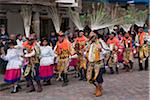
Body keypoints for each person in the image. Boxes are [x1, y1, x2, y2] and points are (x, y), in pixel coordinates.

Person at [86, 32, 105, 97]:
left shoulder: (100, 42)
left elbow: (107, 50)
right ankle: (98, 87)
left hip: (98, 63)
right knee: (90, 78)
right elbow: (86, 51)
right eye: (90, 37)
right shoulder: (89, 44)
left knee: (98, 77)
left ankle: (98, 89)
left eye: (92, 37)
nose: (91, 38)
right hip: (91, 64)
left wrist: (101, 50)